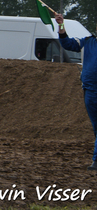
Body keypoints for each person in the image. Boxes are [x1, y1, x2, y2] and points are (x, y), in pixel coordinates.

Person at [55, 13, 97, 170]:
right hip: (90, 90)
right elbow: (67, 43)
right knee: (96, 126)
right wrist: (61, 25)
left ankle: (96, 160)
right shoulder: (87, 42)